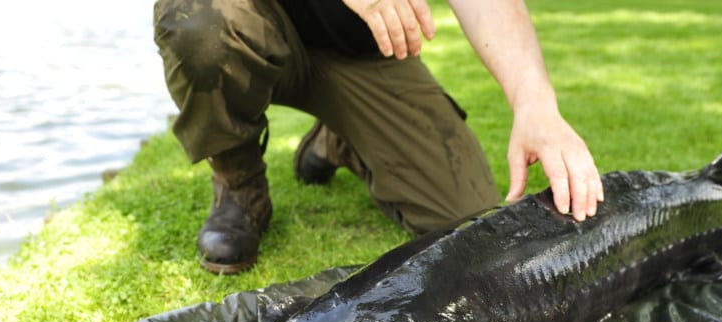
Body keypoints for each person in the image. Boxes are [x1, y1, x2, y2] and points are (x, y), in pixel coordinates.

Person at [154, 0, 604, 274]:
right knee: (196, 22)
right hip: (248, 23)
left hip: (365, 52)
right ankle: (240, 186)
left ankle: (339, 140)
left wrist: (535, 103)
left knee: (465, 221)